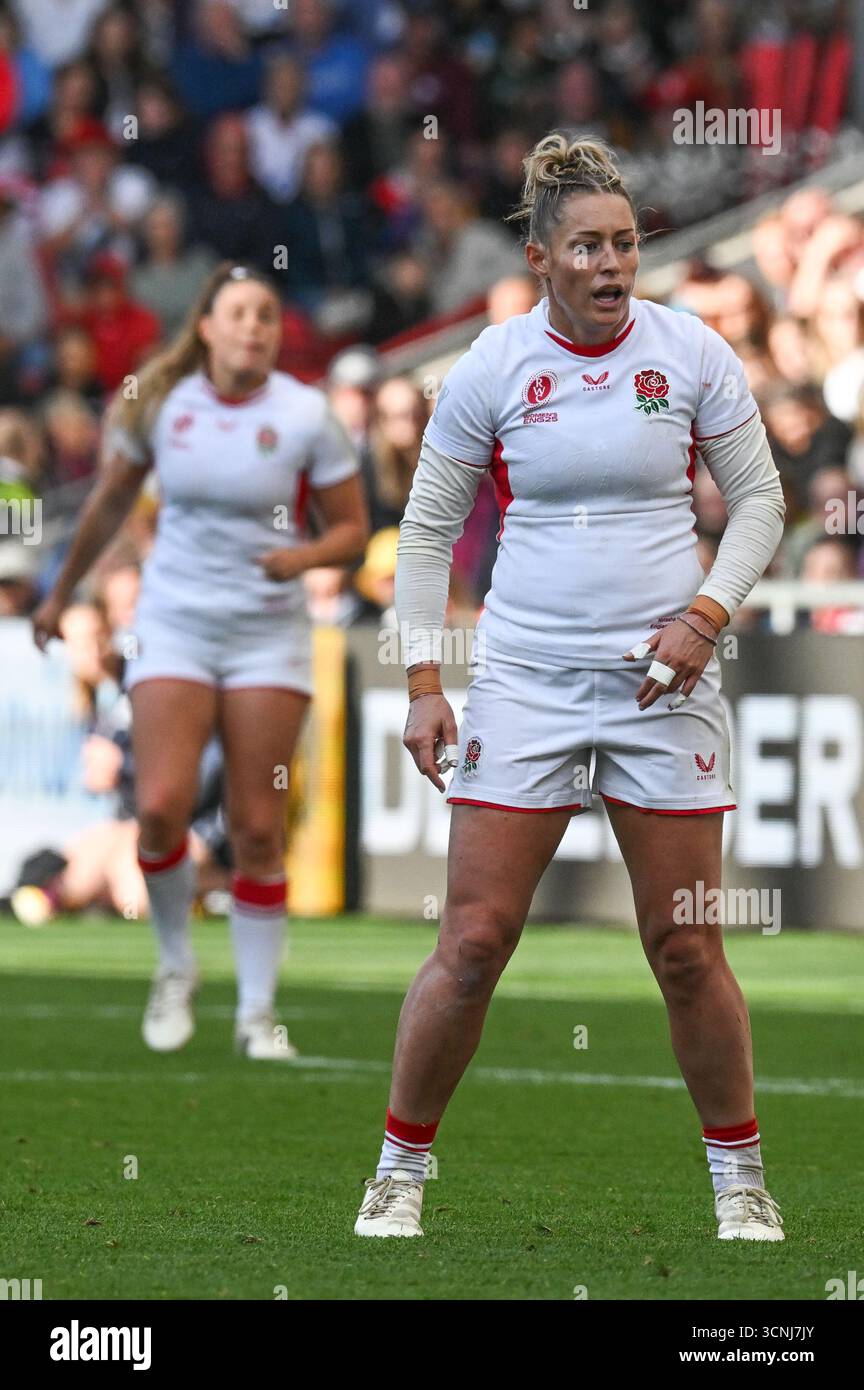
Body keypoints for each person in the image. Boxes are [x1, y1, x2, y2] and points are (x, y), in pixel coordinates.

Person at [354, 134, 787, 1242]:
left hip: (663, 684)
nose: (611, 264)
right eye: (587, 246)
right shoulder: (494, 366)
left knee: (687, 945)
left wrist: (704, 616)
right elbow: (427, 533)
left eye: (626, 243)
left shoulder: (690, 350)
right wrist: (422, 679)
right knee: (475, 940)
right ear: (542, 258)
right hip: (526, 682)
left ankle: (740, 1181)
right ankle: (399, 1170)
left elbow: (763, 502)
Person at [32, 262, 368, 1060]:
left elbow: (352, 529)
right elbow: (112, 499)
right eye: (239, 313)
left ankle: (256, 1012)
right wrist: (60, 593)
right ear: (208, 327)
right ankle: (176, 963)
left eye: (267, 314)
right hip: (175, 622)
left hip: (265, 630)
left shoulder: (305, 414)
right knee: (158, 807)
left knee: (256, 824)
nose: (255, 326)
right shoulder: (164, 404)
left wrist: (304, 558)